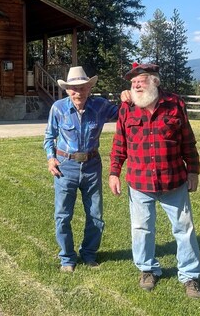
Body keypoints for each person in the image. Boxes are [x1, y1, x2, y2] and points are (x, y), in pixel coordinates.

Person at [108, 62, 200, 298]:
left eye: (140, 80)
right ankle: (147, 269)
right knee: (141, 229)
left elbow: (187, 140)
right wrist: (113, 172)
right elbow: (119, 143)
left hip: (174, 181)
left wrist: (193, 171)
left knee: (184, 229)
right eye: (132, 82)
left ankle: (190, 276)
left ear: (155, 81)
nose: (135, 85)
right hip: (139, 182)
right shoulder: (127, 109)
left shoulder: (174, 105)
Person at [44, 66, 119, 273]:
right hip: (64, 166)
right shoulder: (58, 108)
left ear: (89, 88)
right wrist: (51, 159)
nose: (78, 92)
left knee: (95, 214)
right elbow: (49, 137)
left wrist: (128, 96)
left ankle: (89, 254)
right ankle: (67, 257)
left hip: (92, 166)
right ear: (67, 90)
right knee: (62, 215)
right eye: (74, 88)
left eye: (82, 87)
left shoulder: (100, 106)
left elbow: (125, 114)